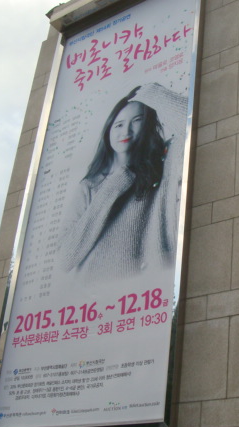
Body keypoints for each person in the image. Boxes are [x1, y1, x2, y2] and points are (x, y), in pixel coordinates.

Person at [57, 83, 187, 283]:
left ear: (148, 126)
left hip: (150, 289)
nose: (126, 130)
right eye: (118, 125)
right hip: (92, 294)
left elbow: (191, 121)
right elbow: (64, 259)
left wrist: (152, 92)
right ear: (108, 130)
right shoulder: (89, 186)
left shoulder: (164, 164)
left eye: (137, 121)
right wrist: (113, 186)